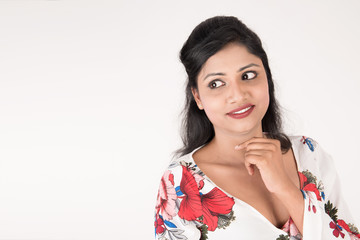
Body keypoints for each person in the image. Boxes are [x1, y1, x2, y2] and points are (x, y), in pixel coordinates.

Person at [154, 16, 359, 240]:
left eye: (248, 75)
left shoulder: (309, 153)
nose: (238, 95)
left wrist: (286, 189)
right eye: (216, 83)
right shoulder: (179, 185)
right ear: (198, 96)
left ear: (267, 80)